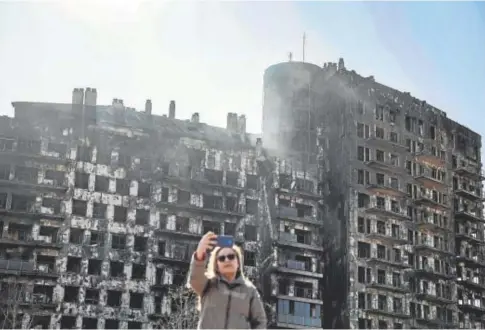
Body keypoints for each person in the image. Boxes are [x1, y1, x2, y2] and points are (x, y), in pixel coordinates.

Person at [188, 231, 268, 329]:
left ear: (238, 263)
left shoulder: (250, 291)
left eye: (231, 256)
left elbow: (260, 321)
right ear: (216, 265)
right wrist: (200, 252)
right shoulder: (208, 285)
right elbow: (195, 279)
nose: (227, 260)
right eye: (221, 258)